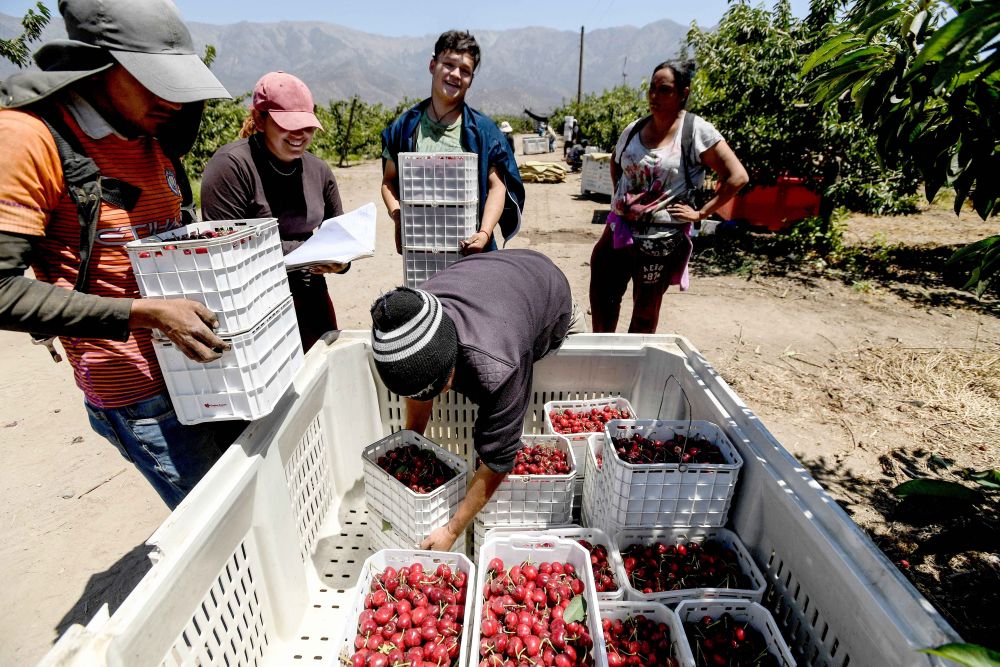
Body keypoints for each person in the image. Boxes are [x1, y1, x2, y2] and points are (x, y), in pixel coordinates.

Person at [0, 0, 240, 509]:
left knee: (245, 498)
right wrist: (145, 312)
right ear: (98, 65)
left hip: (199, 371)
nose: (171, 98)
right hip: (140, 394)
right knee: (220, 529)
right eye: (153, 78)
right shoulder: (30, 138)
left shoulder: (154, 130)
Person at [369, 250, 586, 551]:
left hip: (547, 289)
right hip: (494, 277)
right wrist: (412, 443)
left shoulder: (500, 365)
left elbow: (498, 462)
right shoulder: (414, 316)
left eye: (441, 384)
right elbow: (419, 385)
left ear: (453, 355)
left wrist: (451, 530)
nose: (442, 393)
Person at [589, 60, 748, 334]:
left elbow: (737, 176)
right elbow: (617, 163)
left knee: (644, 314)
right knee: (603, 300)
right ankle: (605, 365)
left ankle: (634, 372)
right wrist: (621, 201)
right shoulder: (634, 129)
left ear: (683, 93)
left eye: (664, 90)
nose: (654, 96)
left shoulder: (696, 132)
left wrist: (700, 214)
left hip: (660, 242)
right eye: (652, 88)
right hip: (618, 233)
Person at [200, 71, 347, 352]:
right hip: (254, 306)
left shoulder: (319, 171)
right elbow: (227, 249)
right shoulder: (232, 167)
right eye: (287, 125)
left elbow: (340, 238)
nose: (300, 135)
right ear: (259, 119)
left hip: (311, 300)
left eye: (307, 126)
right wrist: (311, 251)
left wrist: (341, 262)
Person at [381, 31, 524, 256]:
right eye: (449, 64)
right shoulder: (406, 126)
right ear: (432, 65)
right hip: (422, 248)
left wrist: (485, 233)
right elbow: (389, 181)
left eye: (465, 70)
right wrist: (399, 217)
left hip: (471, 249)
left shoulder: (482, 131)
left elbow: (497, 186)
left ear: (471, 80)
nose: (456, 74)